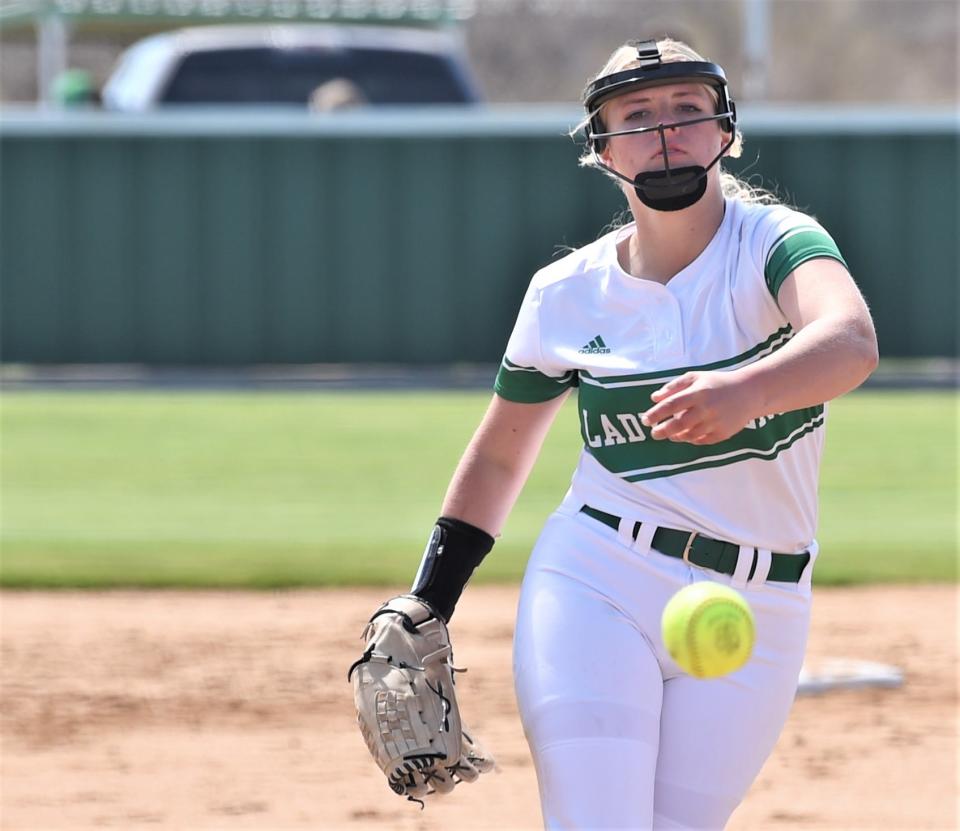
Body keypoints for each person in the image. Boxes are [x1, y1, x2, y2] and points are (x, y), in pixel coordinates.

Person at [352, 37, 878, 829]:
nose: (665, 131)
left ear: (723, 129)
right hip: (600, 576)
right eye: (637, 115)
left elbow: (850, 340)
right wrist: (431, 596)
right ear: (601, 149)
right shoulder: (566, 294)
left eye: (686, 110)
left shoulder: (772, 243)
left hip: (760, 606)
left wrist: (746, 390)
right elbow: (502, 452)